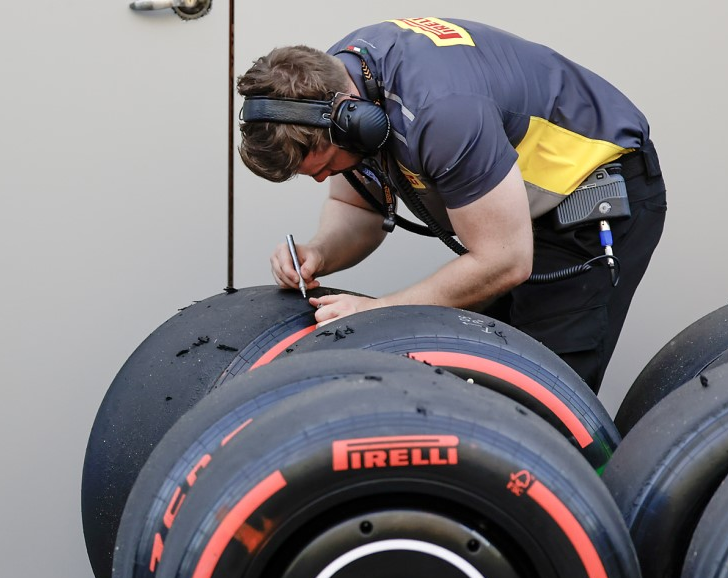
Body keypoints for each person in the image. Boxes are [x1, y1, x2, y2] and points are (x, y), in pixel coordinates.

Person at [238, 17, 666, 390]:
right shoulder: (337, 86)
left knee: (539, 389)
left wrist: (379, 310)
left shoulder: (441, 112)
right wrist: (319, 252)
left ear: (354, 123)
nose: (320, 178)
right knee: (480, 371)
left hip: (591, 194)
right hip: (510, 217)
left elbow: (503, 260)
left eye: (326, 166)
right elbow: (360, 209)